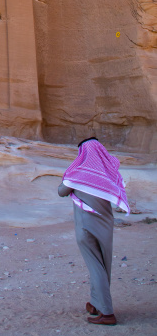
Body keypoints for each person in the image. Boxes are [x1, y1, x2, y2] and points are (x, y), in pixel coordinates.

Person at [58, 137, 130, 326]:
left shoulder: (80, 173)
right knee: (103, 265)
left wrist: (66, 179)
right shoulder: (108, 172)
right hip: (106, 224)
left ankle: (107, 313)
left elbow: (61, 191)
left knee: (96, 267)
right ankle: (97, 304)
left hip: (86, 227)